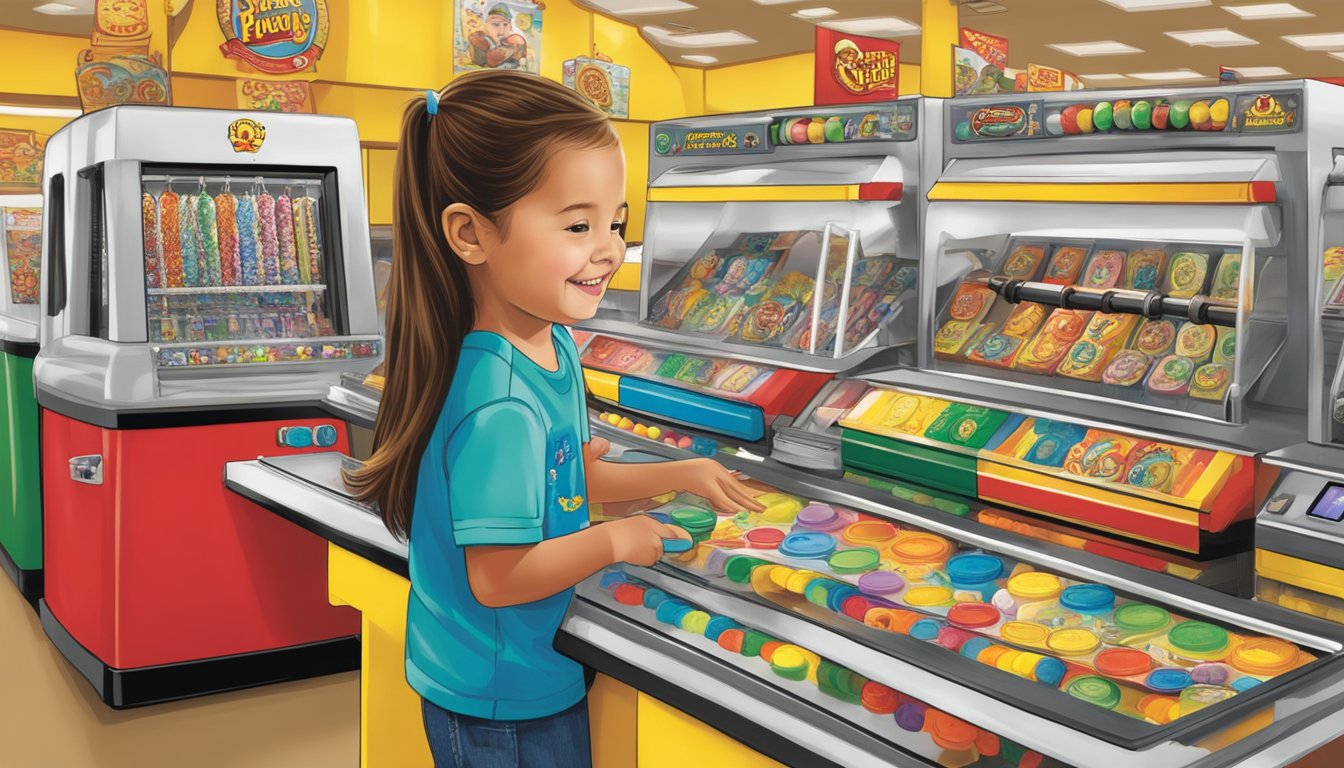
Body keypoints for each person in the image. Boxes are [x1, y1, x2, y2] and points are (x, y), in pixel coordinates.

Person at [345, 69, 763, 768]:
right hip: (494, 698)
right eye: (578, 225)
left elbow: (562, 490)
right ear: (471, 235)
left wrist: (682, 472)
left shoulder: (555, 346)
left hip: (530, 669)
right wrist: (615, 541)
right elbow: (501, 576)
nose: (608, 248)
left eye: (616, 224)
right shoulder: (498, 399)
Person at [469, 4, 529, 69]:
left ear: (510, 27)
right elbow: (491, 59)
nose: (501, 31)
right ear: (486, 25)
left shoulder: (514, 41)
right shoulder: (478, 38)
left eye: (505, 25)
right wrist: (512, 49)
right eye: (496, 24)